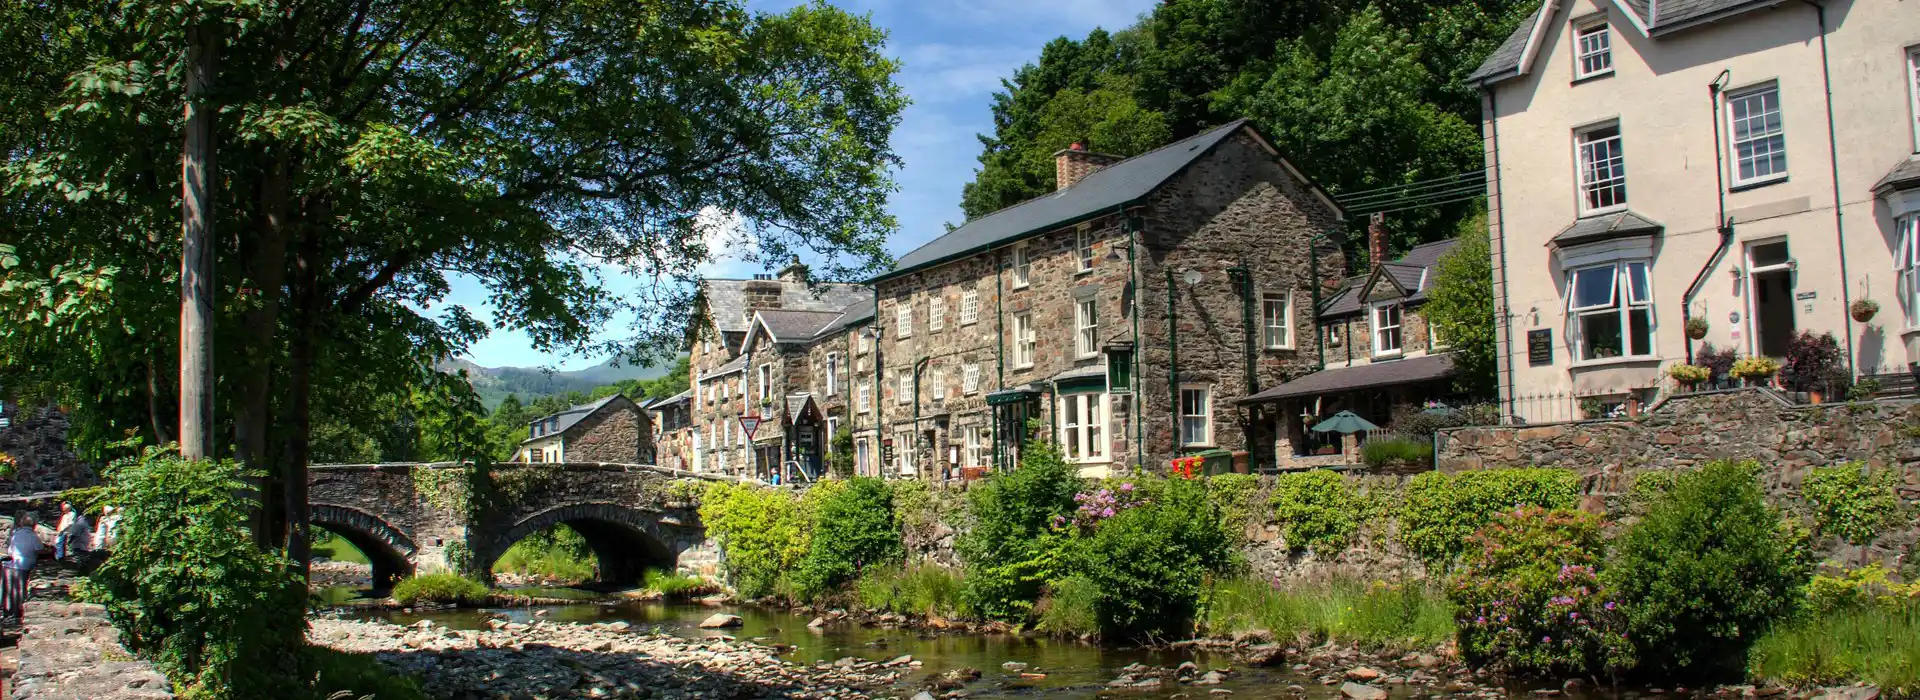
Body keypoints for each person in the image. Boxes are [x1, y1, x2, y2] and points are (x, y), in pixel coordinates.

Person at [4, 514, 41, 622]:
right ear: (34, 525)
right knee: (23, 588)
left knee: (14, 589)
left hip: (15, 563)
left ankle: (12, 611)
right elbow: (39, 549)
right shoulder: (33, 536)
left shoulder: (16, 534)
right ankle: (20, 611)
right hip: (27, 564)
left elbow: (10, 551)